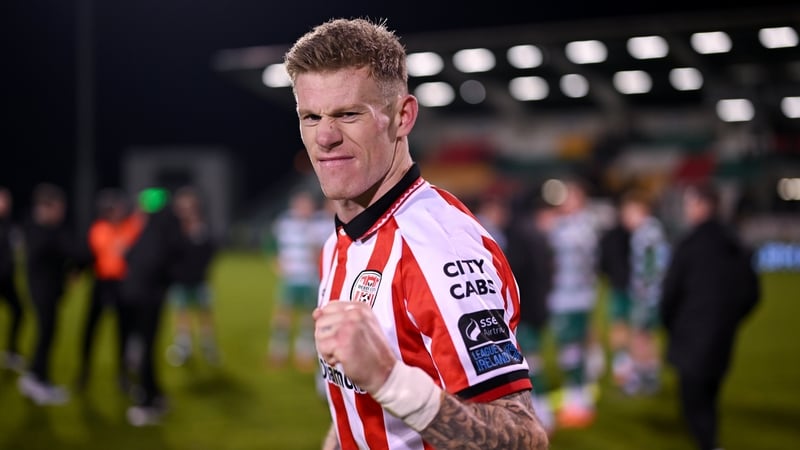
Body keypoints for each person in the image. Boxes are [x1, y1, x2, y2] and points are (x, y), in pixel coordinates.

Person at [283, 18, 549, 450]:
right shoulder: (342, 240)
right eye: (310, 116)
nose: (325, 137)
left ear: (402, 117)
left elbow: (524, 438)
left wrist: (391, 381)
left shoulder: (437, 249)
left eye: (348, 114)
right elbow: (356, 410)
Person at [660, 182, 760, 450]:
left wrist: (672, 323)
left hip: (689, 334)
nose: (686, 210)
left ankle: (709, 443)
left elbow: (669, 294)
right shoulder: (734, 242)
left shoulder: (689, 244)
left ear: (702, 205)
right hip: (722, 335)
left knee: (694, 401)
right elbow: (751, 293)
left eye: (689, 204)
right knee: (710, 394)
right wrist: (730, 319)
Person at [18, 183, 91, 405]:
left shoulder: (44, 229)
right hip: (42, 289)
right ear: (47, 207)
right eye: (58, 208)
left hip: (49, 288)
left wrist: (75, 268)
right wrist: (79, 265)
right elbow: (79, 252)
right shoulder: (41, 230)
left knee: (47, 332)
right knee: (46, 332)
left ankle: (37, 377)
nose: (62, 213)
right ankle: (37, 380)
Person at [120, 187, 184, 426]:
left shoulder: (147, 229)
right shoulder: (164, 230)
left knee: (143, 347)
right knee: (146, 348)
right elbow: (165, 263)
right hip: (148, 297)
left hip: (137, 296)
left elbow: (132, 257)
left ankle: (151, 398)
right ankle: (150, 398)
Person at [545, 177, 600, 428]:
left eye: (570, 197)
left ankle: (577, 400)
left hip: (571, 298)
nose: (564, 202)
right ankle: (579, 394)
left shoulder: (579, 228)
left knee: (571, 350)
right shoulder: (575, 226)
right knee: (572, 348)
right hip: (572, 297)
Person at [77, 188, 144, 391]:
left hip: (123, 284)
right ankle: (84, 371)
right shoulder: (99, 229)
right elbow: (90, 254)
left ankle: (122, 373)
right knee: (90, 328)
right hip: (102, 283)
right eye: (111, 208)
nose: (115, 211)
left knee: (123, 330)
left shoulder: (131, 227)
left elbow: (142, 223)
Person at [504, 196, 556, 434]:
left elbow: (513, 277)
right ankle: (543, 412)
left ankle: (540, 414)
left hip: (524, 312)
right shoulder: (537, 233)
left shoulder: (517, 236)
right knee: (535, 362)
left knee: (528, 365)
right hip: (539, 307)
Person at [266, 189, 329, 371]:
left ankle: (304, 353)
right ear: (294, 206)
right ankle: (278, 351)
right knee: (282, 315)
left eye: (307, 206)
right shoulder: (285, 223)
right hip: (291, 278)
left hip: (310, 278)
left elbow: (323, 250)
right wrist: (275, 261)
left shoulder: (320, 225)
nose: (304, 209)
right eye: (301, 206)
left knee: (307, 317)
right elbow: (269, 242)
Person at [618, 189, 670, 395]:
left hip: (647, 295)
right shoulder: (654, 229)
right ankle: (651, 376)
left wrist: (643, 292)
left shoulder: (645, 233)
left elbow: (651, 269)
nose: (625, 218)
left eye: (629, 212)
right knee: (648, 336)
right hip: (654, 294)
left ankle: (641, 378)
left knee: (639, 335)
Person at [164, 186, 221, 367]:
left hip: (199, 280)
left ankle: (208, 345)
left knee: (204, 313)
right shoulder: (174, 229)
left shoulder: (202, 228)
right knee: (181, 313)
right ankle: (183, 346)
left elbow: (210, 252)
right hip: (180, 281)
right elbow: (170, 254)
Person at [597, 203, 632, 388]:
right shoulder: (627, 234)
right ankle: (624, 371)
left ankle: (626, 371)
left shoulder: (633, 234)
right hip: (623, 287)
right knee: (623, 328)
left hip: (623, 287)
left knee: (626, 328)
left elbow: (602, 264)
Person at [0, 187, 25, 373]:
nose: (5, 204)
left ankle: (11, 350)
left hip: (7, 279)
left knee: (19, 311)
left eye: (7, 200)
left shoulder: (9, 225)